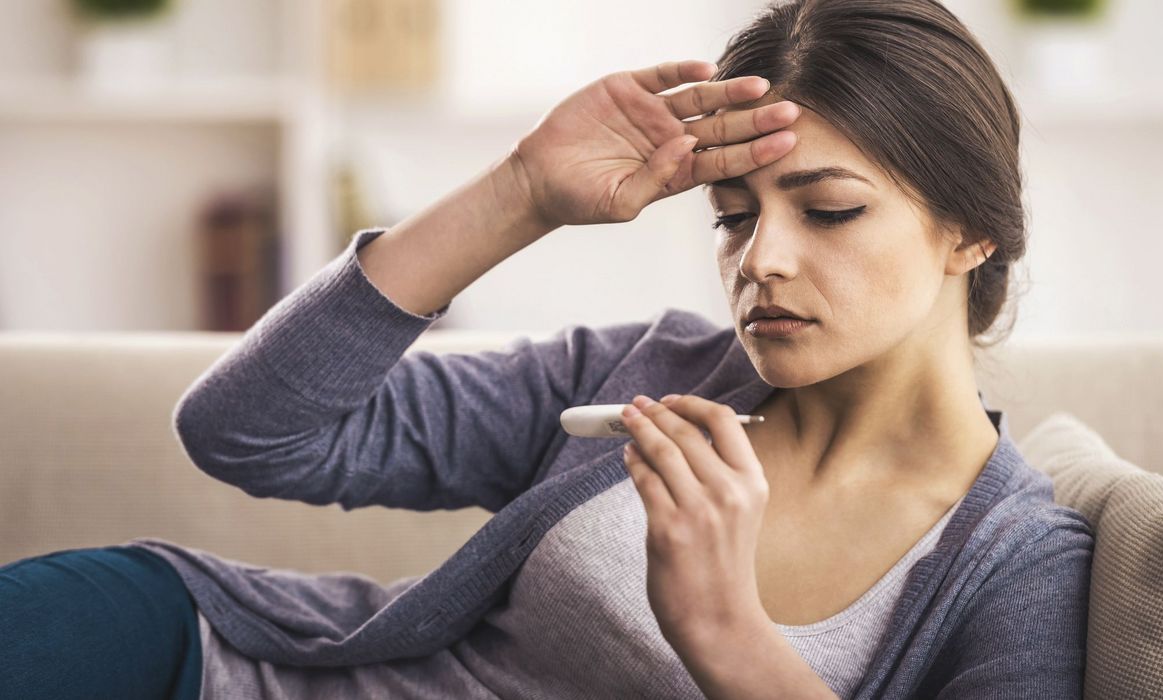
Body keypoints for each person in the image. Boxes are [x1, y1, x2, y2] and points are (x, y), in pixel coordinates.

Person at [1, 0, 1092, 697]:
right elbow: (248, 432)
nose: (761, 260)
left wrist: (721, 627)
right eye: (730, 215)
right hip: (201, 664)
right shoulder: (642, 377)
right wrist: (521, 192)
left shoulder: (1015, 559)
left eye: (829, 211)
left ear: (969, 227)